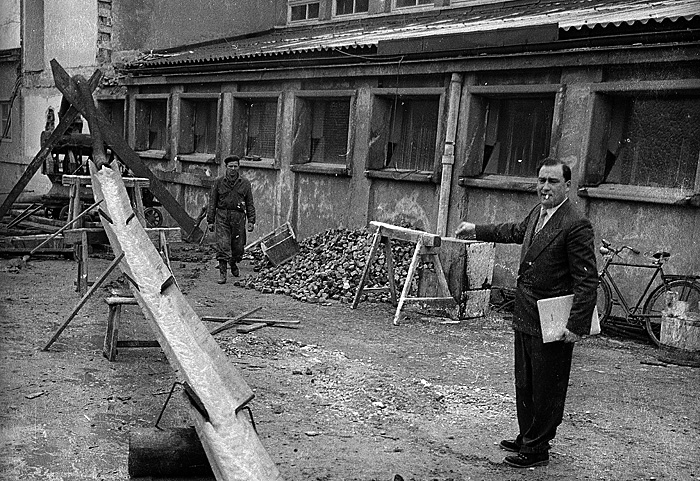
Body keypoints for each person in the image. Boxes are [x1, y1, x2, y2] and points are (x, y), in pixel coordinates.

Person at [455, 157, 598, 468]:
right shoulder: (539, 212)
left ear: (567, 186)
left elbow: (587, 279)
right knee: (525, 380)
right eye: (541, 181)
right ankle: (527, 435)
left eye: (553, 182)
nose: (545, 187)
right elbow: (516, 230)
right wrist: (477, 229)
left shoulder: (575, 223)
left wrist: (576, 326)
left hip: (552, 320)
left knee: (547, 385)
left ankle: (537, 449)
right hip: (526, 313)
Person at [207, 155, 256, 284]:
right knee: (222, 245)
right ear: (226, 167)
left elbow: (250, 203)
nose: (233, 169)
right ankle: (223, 274)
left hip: (238, 217)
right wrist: (210, 220)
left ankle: (233, 262)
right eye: (230, 166)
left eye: (235, 166)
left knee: (238, 248)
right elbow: (212, 202)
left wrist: (251, 221)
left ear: (239, 167)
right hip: (222, 215)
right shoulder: (218, 182)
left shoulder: (245, 183)